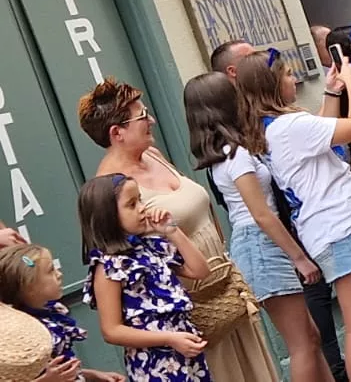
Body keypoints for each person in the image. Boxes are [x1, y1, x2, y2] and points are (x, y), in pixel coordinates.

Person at [207, 41, 351, 381]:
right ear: (272, 85)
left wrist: (330, 93)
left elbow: (322, 135)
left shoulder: (280, 126)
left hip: (338, 225)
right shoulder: (288, 127)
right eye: (288, 74)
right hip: (340, 228)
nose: (294, 80)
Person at [78, 79, 279, 382]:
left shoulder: (153, 154)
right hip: (190, 308)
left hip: (221, 286)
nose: (151, 120)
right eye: (142, 116)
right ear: (117, 133)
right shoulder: (112, 187)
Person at [185, 72, 332, 382]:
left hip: (259, 243)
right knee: (302, 343)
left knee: (310, 336)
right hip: (262, 244)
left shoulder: (225, 155)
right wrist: (299, 258)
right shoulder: (234, 155)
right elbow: (261, 214)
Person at [78, 174, 212, 381]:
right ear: (108, 216)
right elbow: (111, 330)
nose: (142, 207)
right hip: (152, 364)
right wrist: (168, 339)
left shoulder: (151, 247)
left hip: (187, 354)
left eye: (140, 199)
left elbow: (200, 271)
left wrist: (172, 231)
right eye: (131, 204)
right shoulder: (108, 268)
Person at [0, 244, 125, 382]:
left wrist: (90, 375)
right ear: (30, 287)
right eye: (50, 271)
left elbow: (58, 370)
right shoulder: (21, 334)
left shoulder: (51, 313)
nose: (59, 274)